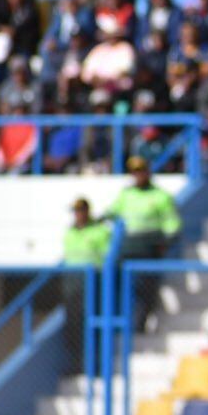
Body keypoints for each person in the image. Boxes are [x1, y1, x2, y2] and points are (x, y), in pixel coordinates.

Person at [107, 156, 181, 329]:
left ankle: (143, 318)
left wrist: (167, 241)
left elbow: (171, 222)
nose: (138, 176)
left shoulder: (160, 195)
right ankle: (122, 315)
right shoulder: (127, 194)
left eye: (141, 171)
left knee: (148, 284)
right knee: (115, 275)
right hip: (131, 243)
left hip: (150, 244)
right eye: (134, 172)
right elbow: (113, 211)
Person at [60, 198, 113, 373]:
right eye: (75, 211)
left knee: (91, 325)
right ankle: (77, 363)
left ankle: (94, 365)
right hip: (72, 283)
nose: (78, 214)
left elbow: (106, 258)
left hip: (92, 282)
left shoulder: (99, 231)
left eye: (80, 210)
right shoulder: (70, 232)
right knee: (73, 326)